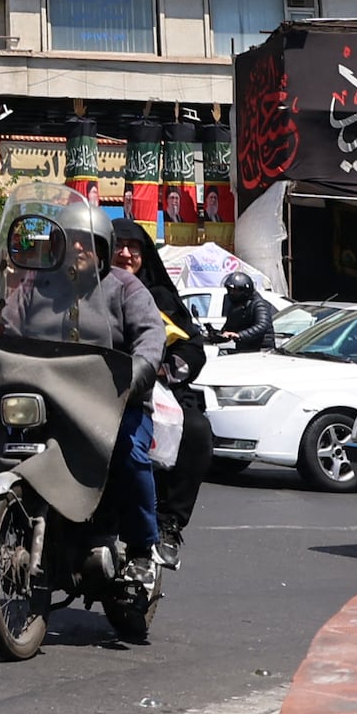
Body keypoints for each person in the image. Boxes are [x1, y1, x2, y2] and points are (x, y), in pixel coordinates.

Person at [0, 197, 166, 638]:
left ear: (104, 248)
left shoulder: (124, 287)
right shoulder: (34, 286)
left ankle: (146, 550)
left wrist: (137, 374)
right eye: (71, 241)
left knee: (129, 454)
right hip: (49, 402)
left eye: (88, 244)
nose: (78, 250)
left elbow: (151, 334)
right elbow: (8, 326)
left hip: (114, 402)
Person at [119, 222, 211, 556]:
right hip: (92, 384)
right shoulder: (86, 290)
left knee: (196, 430)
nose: (125, 254)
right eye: (117, 245)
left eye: (134, 247)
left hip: (151, 387)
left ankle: (169, 522)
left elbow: (192, 348)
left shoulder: (160, 298)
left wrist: (164, 370)